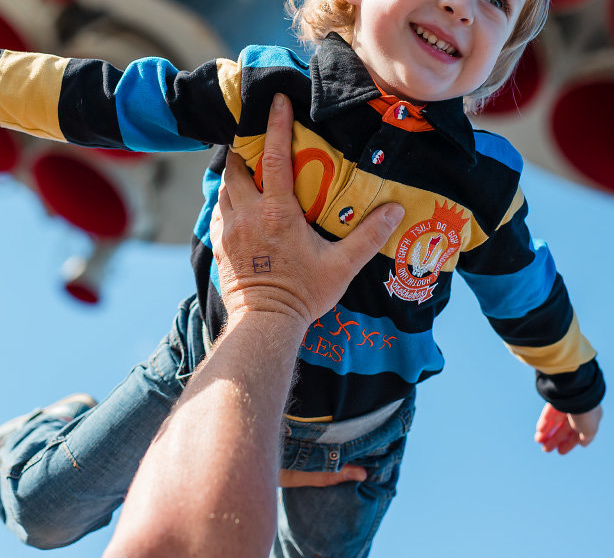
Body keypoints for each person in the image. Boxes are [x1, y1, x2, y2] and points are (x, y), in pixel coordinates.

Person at [0, 0, 604, 556]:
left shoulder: (482, 185)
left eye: (498, 2)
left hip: (354, 440)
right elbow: (102, 99)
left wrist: (574, 387)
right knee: (42, 513)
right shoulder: (268, 95)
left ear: (502, 55)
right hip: (207, 370)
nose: (464, 4)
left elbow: (528, 298)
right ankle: (30, 440)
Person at [104, 95, 405, 558]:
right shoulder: (261, 89)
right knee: (41, 512)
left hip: (330, 425)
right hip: (227, 366)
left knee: (39, 510)